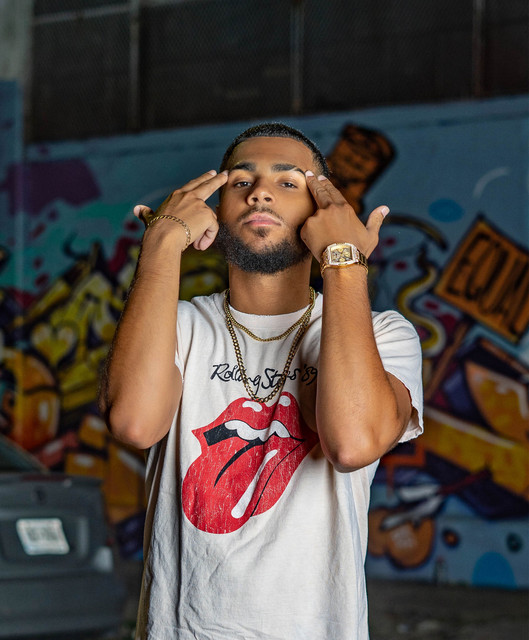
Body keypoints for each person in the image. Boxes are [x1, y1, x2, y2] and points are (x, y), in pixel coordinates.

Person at [99, 123, 423, 640]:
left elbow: (352, 442)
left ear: (320, 214)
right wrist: (161, 243)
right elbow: (133, 423)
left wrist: (344, 260)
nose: (261, 193)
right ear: (216, 211)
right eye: (241, 181)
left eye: (288, 182)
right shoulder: (178, 327)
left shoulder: (383, 334)